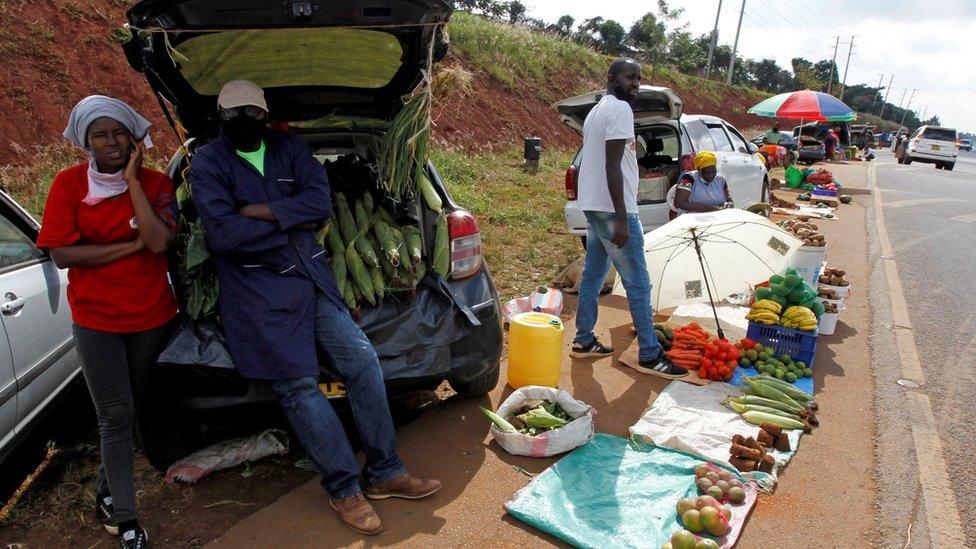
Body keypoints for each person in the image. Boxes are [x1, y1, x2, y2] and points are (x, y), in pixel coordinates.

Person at [189, 80, 440, 536]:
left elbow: (319, 204)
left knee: (362, 361)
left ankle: (386, 472)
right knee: (299, 386)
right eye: (233, 114)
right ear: (219, 116)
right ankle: (344, 487)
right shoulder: (207, 162)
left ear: (265, 114)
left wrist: (258, 212)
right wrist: (290, 220)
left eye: (252, 113)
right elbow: (222, 235)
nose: (244, 121)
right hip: (257, 291)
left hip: (309, 278)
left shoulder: (289, 147)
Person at [37, 96, 179, 548]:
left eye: (120, 133)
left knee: (129, 411)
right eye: (100, 135)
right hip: (96, 320)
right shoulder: (67, 185)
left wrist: (133, 180)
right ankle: (128, 519)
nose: (111, 142)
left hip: (151, 317)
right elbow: (62, 254)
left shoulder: (156, 184)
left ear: (135, 139)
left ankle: (106, 489)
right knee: (114, 416)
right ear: (86, 142)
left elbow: (158, 243)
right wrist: (128, 247)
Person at [569, 58, 686, 380]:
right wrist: (622, 217)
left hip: (595, 206)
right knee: (638, 282)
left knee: (593, 275)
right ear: (612, 78)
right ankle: (650, 353)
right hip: (612, 210)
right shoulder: (619, 109)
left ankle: (583, 338)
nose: (635, 83)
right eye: (629, 77)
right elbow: (612, 166)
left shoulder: (597, 110)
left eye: (639, 78)